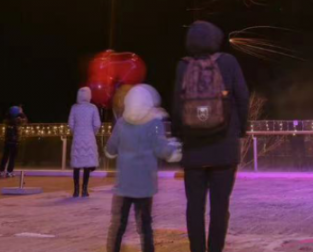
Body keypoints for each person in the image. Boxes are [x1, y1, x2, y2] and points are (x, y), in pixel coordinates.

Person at [173, 20, 249, 252]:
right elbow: (243, 97)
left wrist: (181, 136)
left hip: (194, 150)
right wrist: (240, 130)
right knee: (219, 206)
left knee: (194, 207)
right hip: (224, 148)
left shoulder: (183, 66)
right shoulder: (229, 62)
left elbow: (177, 106)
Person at [105, 85, 183, 252]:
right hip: (145, 185)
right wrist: (173, 151)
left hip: (124, 185)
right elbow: (161, 148)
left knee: (118, 225)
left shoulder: (121, 123)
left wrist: (111, 151)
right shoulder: (154, 123)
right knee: (145, 226)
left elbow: (110, 148)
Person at [69, 86, 102, 198]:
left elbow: (71, 124)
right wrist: (92, 132)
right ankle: (84, 190)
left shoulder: (74, 107)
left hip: (78, 137)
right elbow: (97, 124)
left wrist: (76, 132)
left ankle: (76, 190)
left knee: (77, 166)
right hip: (89, 137)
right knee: (87, 165)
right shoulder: (93, 108)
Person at [0, 105, 27, 178]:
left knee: (5, 156)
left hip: (7, 140)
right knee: (12, 157)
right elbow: (25, 120)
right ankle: (9, 172)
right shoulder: (17, 120)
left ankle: (1, 171)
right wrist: (21, 113)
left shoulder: (7, 120)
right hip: (14, 141)